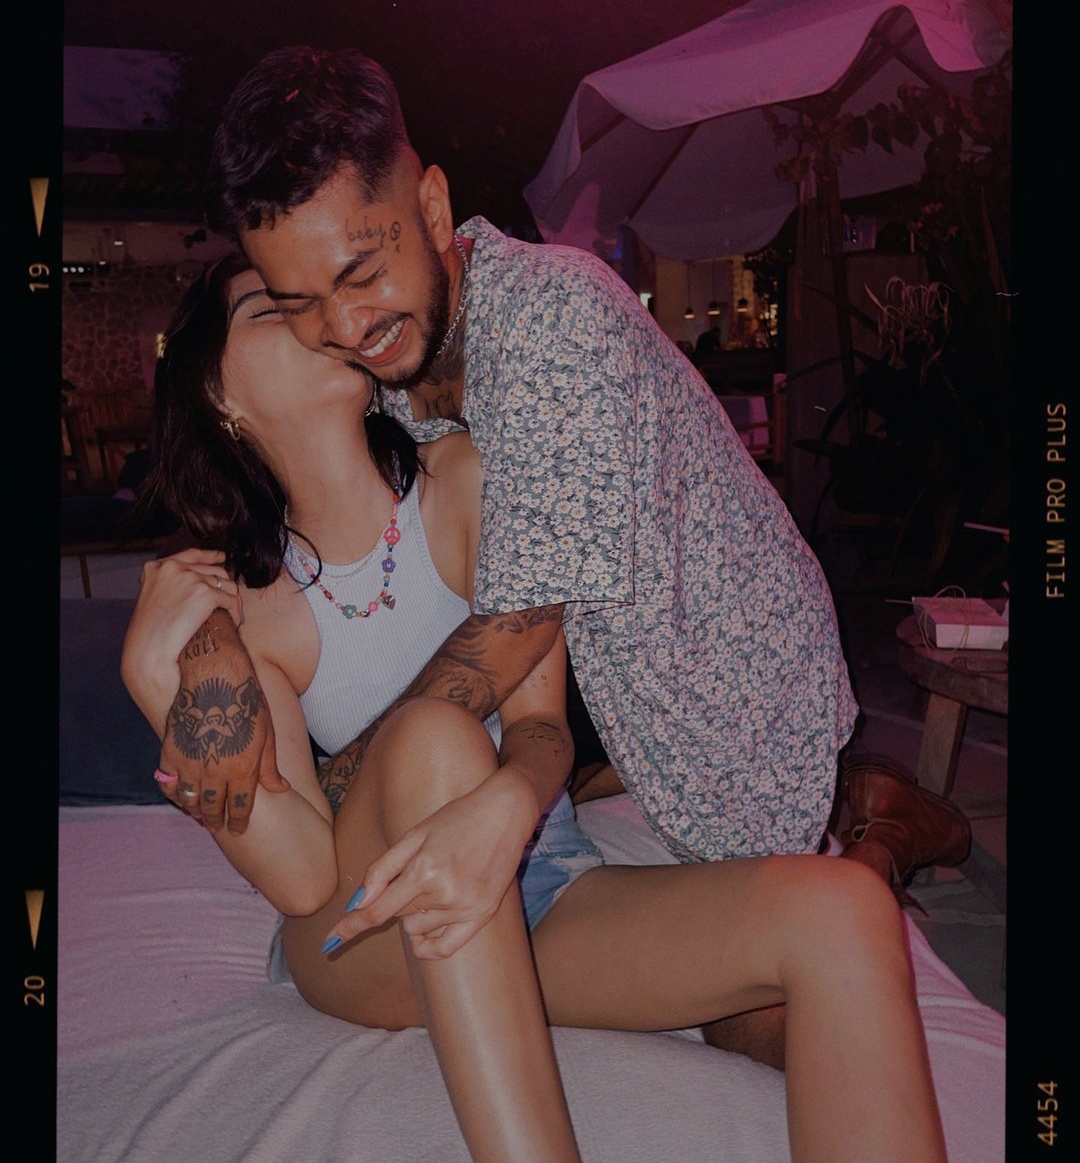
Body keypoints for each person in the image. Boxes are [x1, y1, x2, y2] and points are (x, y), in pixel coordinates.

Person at [144, 45, 969, 1061]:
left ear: (433, 209)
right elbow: (296, 519)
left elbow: (515, 627)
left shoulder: (551, 323)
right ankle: (851, 810)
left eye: (358, 274)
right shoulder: (394, 354)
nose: (342, 326)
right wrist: (203, 659)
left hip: (733, 681)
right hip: (626, 698)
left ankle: (883, 834)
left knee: (761, 1020)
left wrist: (325, 781)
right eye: (299, 301)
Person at [121, 252, 948, 1163]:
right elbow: (303, 875)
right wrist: (160, 683)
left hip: (540, 879)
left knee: (843, 909)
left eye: (317, 295)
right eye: (271, 309)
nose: (316, 315)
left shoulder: (474, 477)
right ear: (219, 395)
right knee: (434, 738)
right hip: (364, 929)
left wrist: (509, 804)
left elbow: (542, 727)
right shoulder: (252, 607)